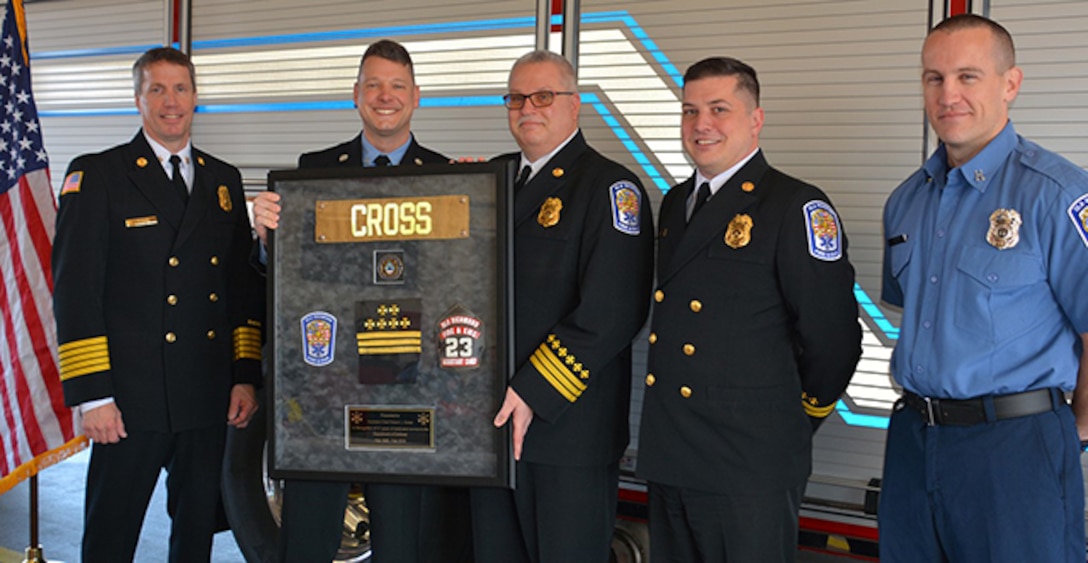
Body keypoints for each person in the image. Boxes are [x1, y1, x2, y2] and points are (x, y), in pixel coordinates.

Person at [251, 39, 471, 563]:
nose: (384, 96)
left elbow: (461, 283)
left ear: (416, 96)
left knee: (404, 544)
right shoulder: (314, 171)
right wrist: (264, 239)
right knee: (307, 540)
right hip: (327, 386)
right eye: (373, 84)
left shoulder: (450, 178)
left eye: (397, 86)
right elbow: (291, 277)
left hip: (411, 393)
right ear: (356, 94)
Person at [879, 14, 1088, 562]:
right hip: (914, 441)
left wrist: (1075, 430)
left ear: (1010, 84)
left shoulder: (1056, 195)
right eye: (934, 78)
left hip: (1015, 451)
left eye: (968, 76)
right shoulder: (906, 201)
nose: (949, 94)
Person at [635, 56, 861, 562]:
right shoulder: (675, 204)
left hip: (749, 462)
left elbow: (835, 341)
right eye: (690, 111)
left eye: (719, 109)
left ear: (755, 119)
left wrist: (788, 420)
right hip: (673, 453)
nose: (701, 125)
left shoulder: (794, 206)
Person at [52, 46, 262, 562]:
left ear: (196, 98)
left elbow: (239, 287)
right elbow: (75, 289)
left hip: (204, 394)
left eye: (181, 89)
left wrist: (243, 374)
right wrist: (92, 396)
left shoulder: (223, 180)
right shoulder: (98, 175)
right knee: (111, 535)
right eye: (157, 89)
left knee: (194, 537)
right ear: (138, 99)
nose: (172, 102)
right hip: (128, 400)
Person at [469, 50, 655, 563]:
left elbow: (614, 311)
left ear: (576, 106)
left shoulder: (610, 188)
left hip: (566, 430)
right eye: (516, 98)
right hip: (490, 426)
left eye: (544, 96)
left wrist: (531, 390)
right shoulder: (491, 179)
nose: (528, 108)